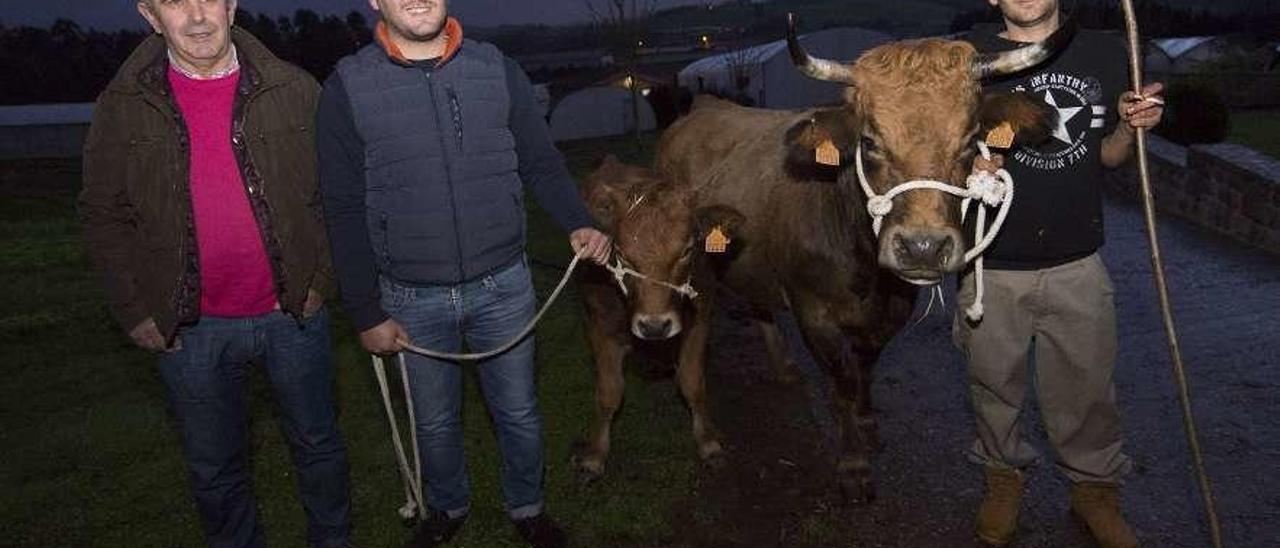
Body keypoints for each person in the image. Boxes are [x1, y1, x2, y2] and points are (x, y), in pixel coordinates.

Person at [316, 1, 611, 547]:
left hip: (503, 286)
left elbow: (541, 163)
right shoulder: (347, 87)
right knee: (433, 423)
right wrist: (365, 309)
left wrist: (577, 222)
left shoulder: (495, 68)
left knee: (519, 412)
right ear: (374, 2)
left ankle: (527, 506)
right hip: (409, 298)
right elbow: (341, 206)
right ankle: (447, 508)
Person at [78, 1, 351, 546]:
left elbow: (334, 195)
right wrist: (136, 313)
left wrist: (320, 280)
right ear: (151, 15)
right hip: (191, 329)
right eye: (176, 2)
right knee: (215, 470)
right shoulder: (122, 105)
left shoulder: (295, 88)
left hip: (293, 315)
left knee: (318, 447)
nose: (198, 17)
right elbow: (102, 214)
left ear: (231, 7)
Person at [956, 1, 1164, 547]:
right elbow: (937, 155)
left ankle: (1094, 491)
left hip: (1078, 261)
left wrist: (1130, 124)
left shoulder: (1102, 52)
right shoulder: (965, 60)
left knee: (1087, 390)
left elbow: (1112, 157)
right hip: (990, 264)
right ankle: (1003, 479)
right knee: (993, 386)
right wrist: (969, 167)